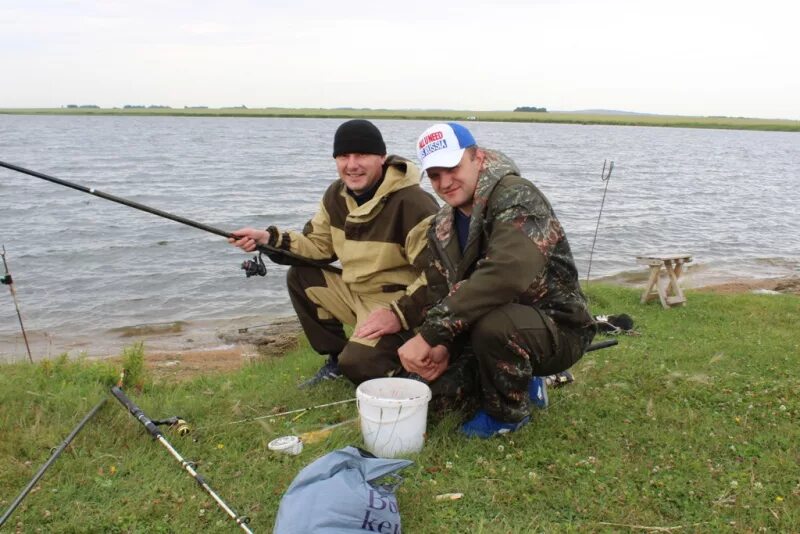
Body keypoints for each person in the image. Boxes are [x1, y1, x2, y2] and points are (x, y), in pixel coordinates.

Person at [398, 123, 595, 438]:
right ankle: (518, 378)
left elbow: (504, 276)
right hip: (484, 326)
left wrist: (429, 334)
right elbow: (441, 291)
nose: (445, 182)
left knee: (496, 325)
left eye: (452, 167)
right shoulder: (441, 225)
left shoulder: (517, 196)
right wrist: (441, 345)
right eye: (434, 175)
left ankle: (508, 416)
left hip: (556, 328)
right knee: (433, 399)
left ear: (476, 157)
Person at [230, 119, 439, 387]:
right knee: (302, 275)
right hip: (356, 293)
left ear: (382, 158)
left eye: (362, 155)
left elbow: (438, 276)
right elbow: (317, 247)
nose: (352, 165)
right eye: (343, 156)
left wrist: (398, 315)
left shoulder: (414, 204)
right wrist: (269, 239)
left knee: (359, 364)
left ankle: (402, 362)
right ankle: (336, 359)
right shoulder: (336, 195)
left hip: (400, 304)